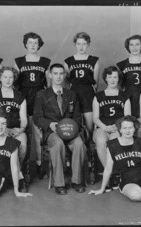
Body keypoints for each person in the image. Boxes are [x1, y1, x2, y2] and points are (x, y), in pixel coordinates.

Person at [33, 63, 87, 195]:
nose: (58, 76)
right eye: (55, 73)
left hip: (70, 131)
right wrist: (50, 124)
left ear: (64, 76)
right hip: (52, 132)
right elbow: (37, 117)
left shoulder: (72, 94)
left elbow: (78, 116)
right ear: (50, 75)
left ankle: (76, 181)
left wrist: (71, 128)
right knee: (57, 144)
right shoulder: (41, 94)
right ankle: (59, 183)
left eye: (61, 73)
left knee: (79, 144)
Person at [14, 32, 51, 177]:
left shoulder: (45, 61)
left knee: (38, 133)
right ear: (25, 44)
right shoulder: (18, 62)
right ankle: (24, 165)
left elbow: (48, 85)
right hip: (23, 98)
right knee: (24, 131)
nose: (33, 46)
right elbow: (14, 84)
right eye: (30, 43)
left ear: (39, 45)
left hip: (39, 99)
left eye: (36, 43)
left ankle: (40, 164)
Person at [0, 66, 28, 192]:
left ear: (14, 79)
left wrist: (20, 130)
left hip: (16, 129)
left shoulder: (20, 96)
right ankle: (19, 178)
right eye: (5, 77)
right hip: (0, 130)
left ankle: (13, 174)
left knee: (22, 145)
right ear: (0, 78)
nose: (8, 80)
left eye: (11, 77)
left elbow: (24, 118)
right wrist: (4, 131)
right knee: (11, 146)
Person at [92, 66, 131, 191]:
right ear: (105, 79)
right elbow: (95, 118)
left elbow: (127, 117)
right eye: (110, 77)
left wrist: (117, 127)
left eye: (115, 77)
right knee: (101, 141)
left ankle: (111, 175)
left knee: (114, 144)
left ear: (119, 79)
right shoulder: (98, 96)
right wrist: (104, 127)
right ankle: (111, 174)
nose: (113, 80)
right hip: (102, 127)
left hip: (118, 128)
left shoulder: (124, 96)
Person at [64, 32, 99, 143]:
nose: (81, 46)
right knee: (75, 125)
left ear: (88, 44)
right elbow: (66, 82)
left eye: (84, 44)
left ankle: (90, 154)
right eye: (79, 44)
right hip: (74, 94)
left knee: (90, 127)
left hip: (88, 95)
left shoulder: (94, 60)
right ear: (75, 44)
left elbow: (95, 83)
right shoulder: (68, 61)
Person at [116, 35, 141, 119]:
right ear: (128, 47)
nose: (134, 47)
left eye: (137, 44)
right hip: (127, 97)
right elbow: (118, 86)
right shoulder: (121, 65)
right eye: (131, 45)